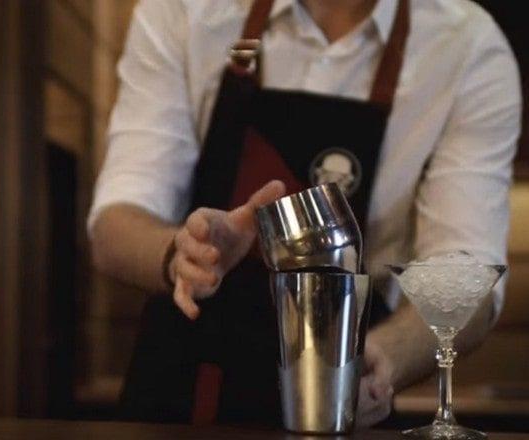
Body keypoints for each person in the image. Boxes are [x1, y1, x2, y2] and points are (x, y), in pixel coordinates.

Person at [88, 0, 522, 428]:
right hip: (184, 395)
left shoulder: (468, 47)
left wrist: (385, 356)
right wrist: (182, 256)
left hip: (344, 398)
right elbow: (114, 229)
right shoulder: (184, 11)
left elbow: (467, 273)